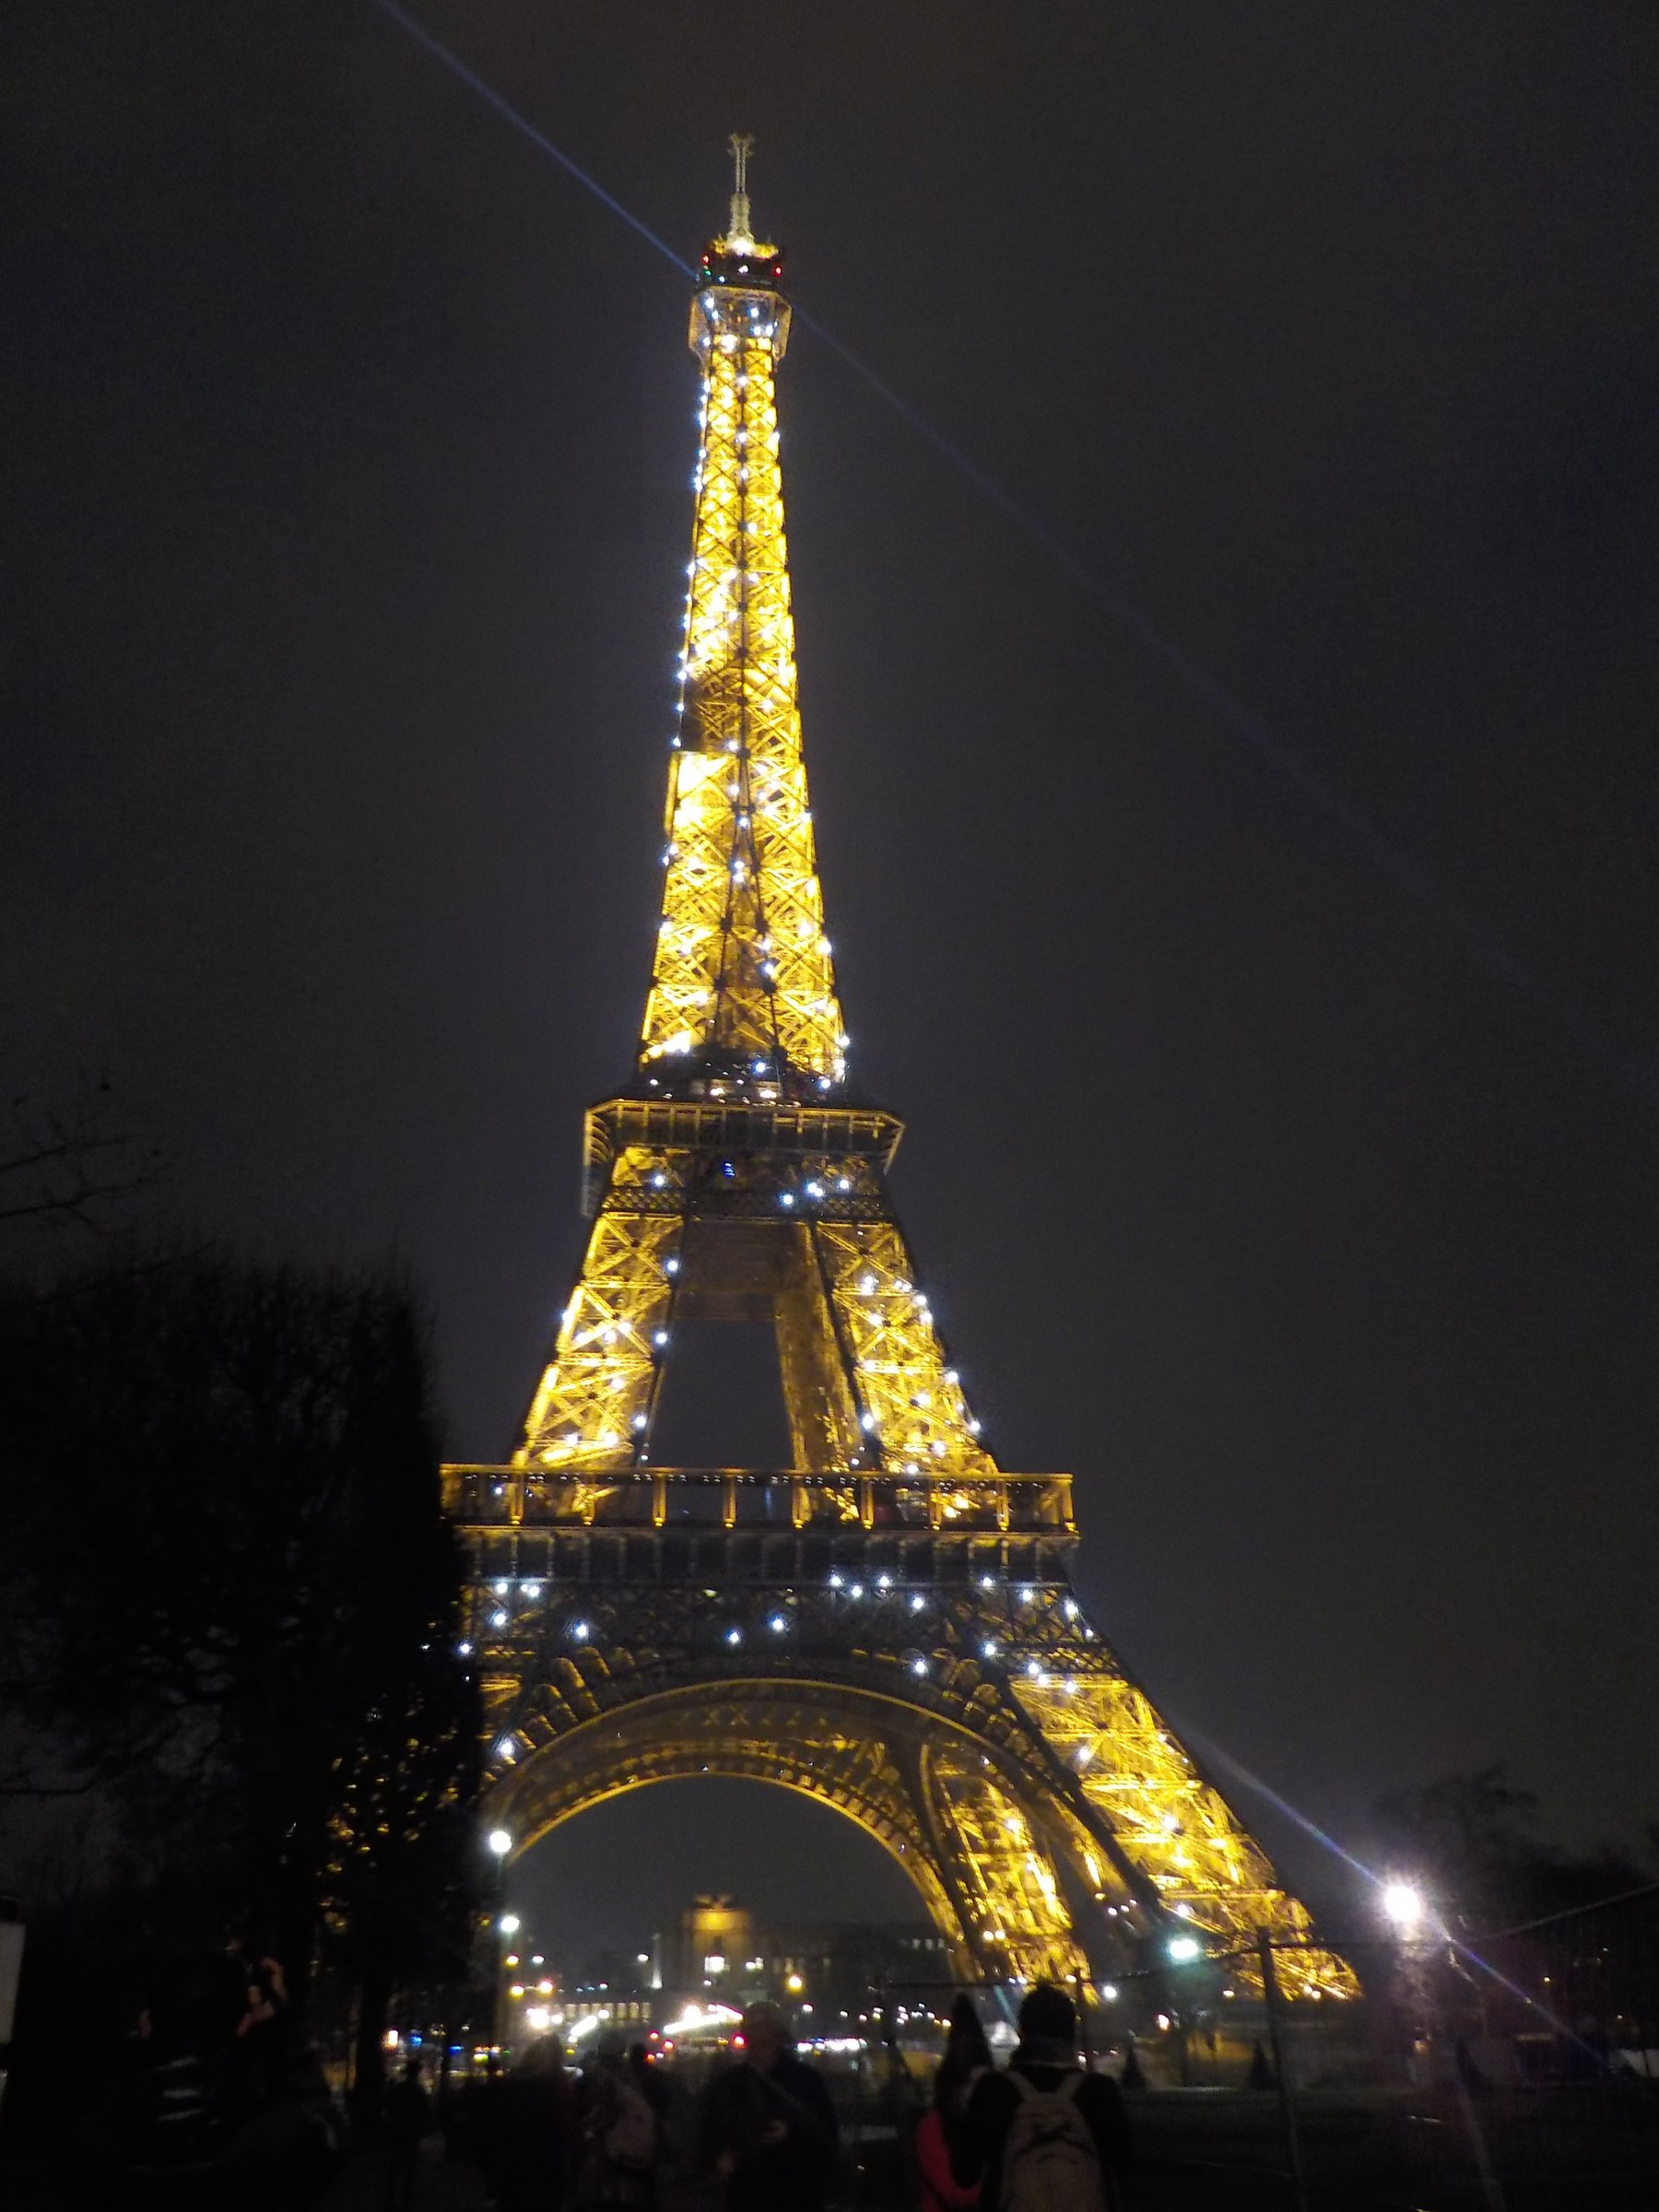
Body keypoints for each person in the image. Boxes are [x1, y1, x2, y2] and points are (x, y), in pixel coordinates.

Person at [962, 1983, 1130, 2212]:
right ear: (1072, 2033)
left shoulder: (994, 2090)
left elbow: (964, 2173)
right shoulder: (1100, 2091)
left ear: (1022, 2032)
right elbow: (1124, 2163)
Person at [697, 2001, 839, 2212]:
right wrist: (719, 2158)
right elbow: (708, 2133)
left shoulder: (805, 2081)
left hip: (794, 2193)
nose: (760, 2049)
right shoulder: (729, 2084)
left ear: (777, 2040)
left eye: (765, 2041)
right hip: (749, 2193)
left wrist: (791, 2133)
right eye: (755, 2041)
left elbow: (825, 2136)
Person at [915, 1995, 992, 2212]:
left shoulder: (935, 2126)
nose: (978, 2092)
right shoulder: (933, 2127)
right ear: (955, 2086)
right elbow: (955, 2194)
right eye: (971, 2084)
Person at [576, 2030, 658, 2208]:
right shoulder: (634, 2077)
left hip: (603, 2150)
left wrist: (584, 2128)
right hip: (630, 2150)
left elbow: (597, 2109)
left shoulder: (597, 2077)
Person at [383, 2053, 430, 2212]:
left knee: (394, 2167)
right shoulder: (419, 2091)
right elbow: (425, 2113)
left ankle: (389, 2197)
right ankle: (405, 2199)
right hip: (411, 2134)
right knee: (408, 2168)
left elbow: (390, 2109)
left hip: (398, 2132)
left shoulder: (399, 2089)